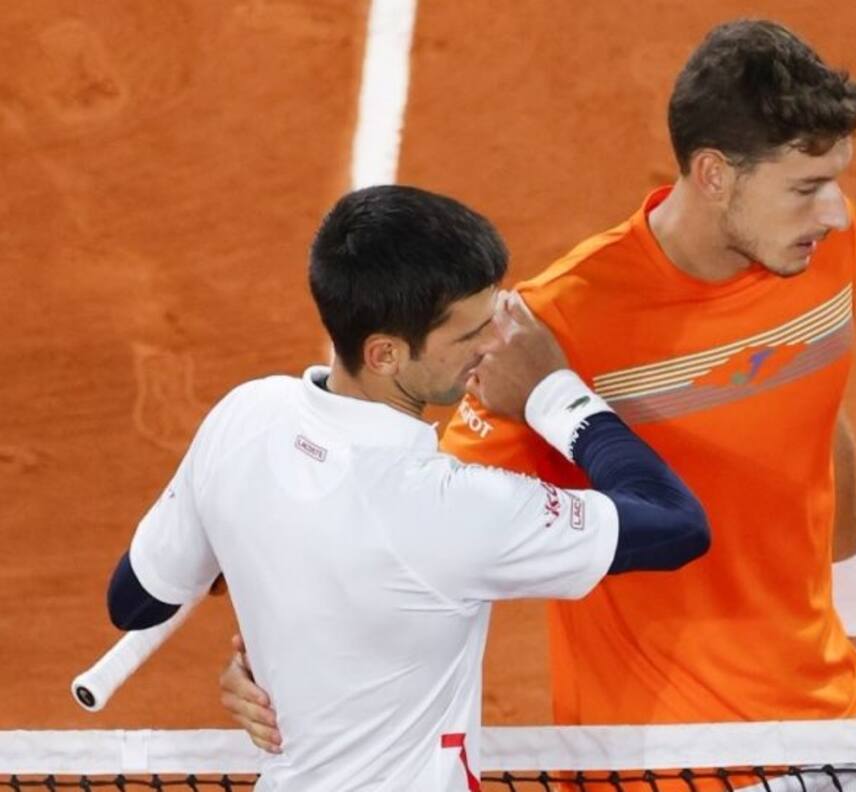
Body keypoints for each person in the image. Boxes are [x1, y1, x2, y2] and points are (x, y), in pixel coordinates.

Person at [223, 18, 856, 790]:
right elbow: (399, 520)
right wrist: (272, 650)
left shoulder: (821, 252)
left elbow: (819, 424)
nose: (836, 213)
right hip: (671, 764)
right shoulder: (552, 329)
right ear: (714, 174)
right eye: (807, 187)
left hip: (842, 719)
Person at [106, 185, 710, 791]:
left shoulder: (244, 417)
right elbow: (676, 525)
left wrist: (277, 607)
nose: (498, 342)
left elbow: (136, 601)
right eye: (469, 333)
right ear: (387, 354)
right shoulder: (452, 510)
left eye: (495, 313)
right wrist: (553, 393)